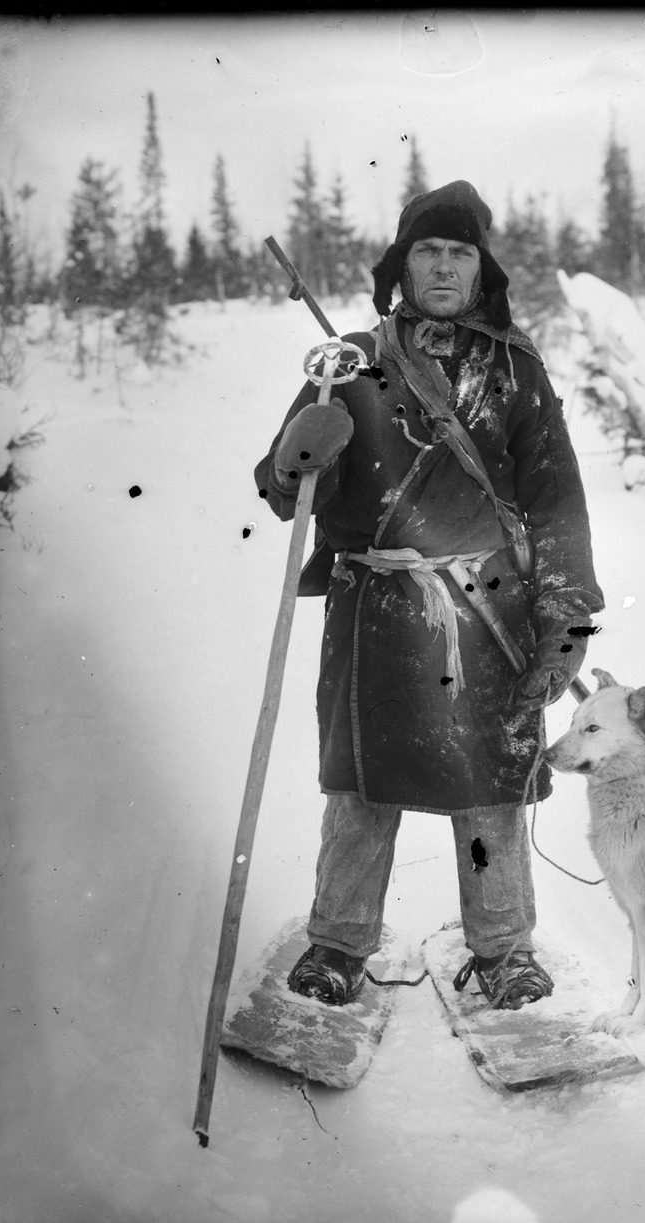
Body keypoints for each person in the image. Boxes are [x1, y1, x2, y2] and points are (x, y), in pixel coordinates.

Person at [254, 180, 603, 1011]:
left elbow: (557, 501)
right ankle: (338, 944)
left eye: (459, 252)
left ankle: (503, 950)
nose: (444, 266)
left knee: (488, 790)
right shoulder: (349, 363)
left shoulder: (516, 370)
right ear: (401, 266)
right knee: (360, 791)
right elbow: (278, 489)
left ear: (482, 269)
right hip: (373, 610)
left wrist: (566, 620)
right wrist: (301, 454)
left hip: (487, 610)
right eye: (428, 251)